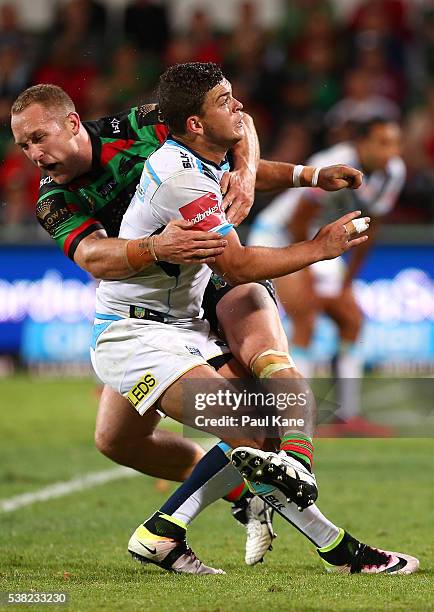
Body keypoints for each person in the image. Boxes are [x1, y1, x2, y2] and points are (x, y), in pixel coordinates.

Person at [11, 82, 362, 565]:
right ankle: (241, 493)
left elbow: (236, 125)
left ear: (72, 123)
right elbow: (94, 255)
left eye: (38, 137)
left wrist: (258, 172)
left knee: (262, 390)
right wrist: (155, 248)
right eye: (23, 145)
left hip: (218, 272)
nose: (33, 153)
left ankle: (323, 533)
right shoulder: (54, 199)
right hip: (156, 305)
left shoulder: (135, 128)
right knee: (116, 440)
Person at [91, 62, 418, 575]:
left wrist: (310, 176)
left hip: (182, 326)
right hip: (137, 334)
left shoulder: (202, 158)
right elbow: (236, 264)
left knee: (268, 422)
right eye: (224, 101)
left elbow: (244, 174)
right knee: (258, 425)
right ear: (195, 124)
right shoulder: (180, 178)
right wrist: (318, 248)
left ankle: (163, 531)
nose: (239, 107)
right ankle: (338, 549)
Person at [248, 118, 405, 436]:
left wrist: (348, 284)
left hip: (321, 241)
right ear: (361, 144)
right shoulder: (331, 164)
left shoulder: (394, 173)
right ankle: (299, 417)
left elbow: (370, 227)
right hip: (279, 236)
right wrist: (304, 274)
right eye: (382, 143)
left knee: (351, 317)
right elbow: (297, 219)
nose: (390, 151)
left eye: (394, 143)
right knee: (304, 313)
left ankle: (347, 416)